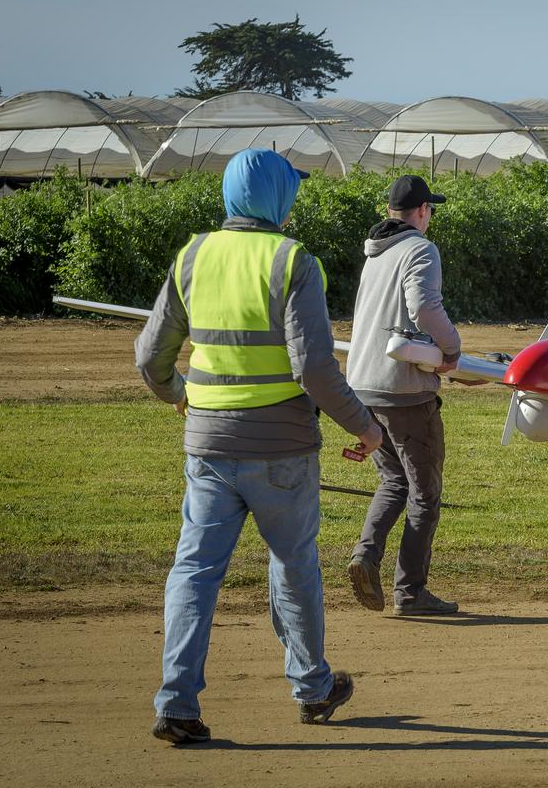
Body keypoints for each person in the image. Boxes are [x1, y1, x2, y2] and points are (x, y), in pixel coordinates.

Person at [135, 149, 383, 744]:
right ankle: (312, 687)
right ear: (279, 197)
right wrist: (365, 428)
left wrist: (178, 392)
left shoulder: (193, 254)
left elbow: (150, 357)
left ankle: (177, 705)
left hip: (209, 449)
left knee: (194, 573)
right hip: (282, 450)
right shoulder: (294, 260)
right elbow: (316, 370)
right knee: (293, 566)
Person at [345, 175, 463, 617]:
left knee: (394, 480)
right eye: (430, 209)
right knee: (425, 491)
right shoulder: (420, 249)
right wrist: (451, 347)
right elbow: (424, 306)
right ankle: (410, 593)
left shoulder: (375, 253)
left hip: (363, 385)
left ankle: (365, 555)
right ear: (422, 211)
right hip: (404, 389)